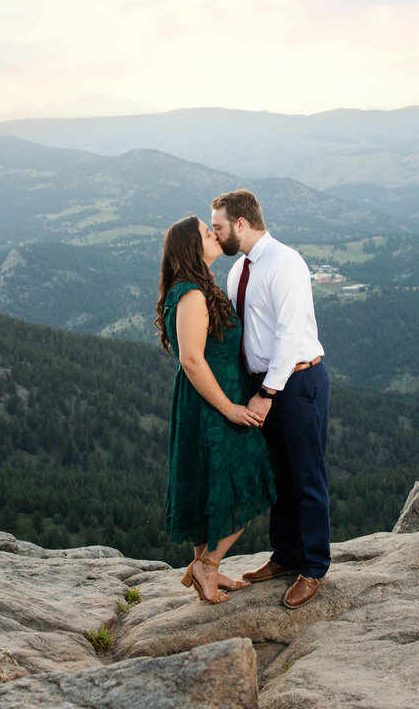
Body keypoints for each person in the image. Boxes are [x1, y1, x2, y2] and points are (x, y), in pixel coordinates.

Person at [210, 189, 331, 610]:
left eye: (219, 226)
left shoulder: (285, 263)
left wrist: (266, 393)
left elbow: (290, 335)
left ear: (241, 224)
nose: (215, 233)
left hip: (296, 383)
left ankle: (314, 568)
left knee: (307, 477)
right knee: (279, 476)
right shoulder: (239, 269)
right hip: (262, 384)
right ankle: (285, 556)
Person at [155, 216, 278, 604]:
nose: (214, 234)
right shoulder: (191, 294)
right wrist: (229, 408)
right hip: (212, 405)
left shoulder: (198, 287)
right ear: (192, 247)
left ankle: (206, 570)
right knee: (251, 478)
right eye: (207, 233)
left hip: (207, 401)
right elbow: (192, 360)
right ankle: (207, 565)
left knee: (207, 482)